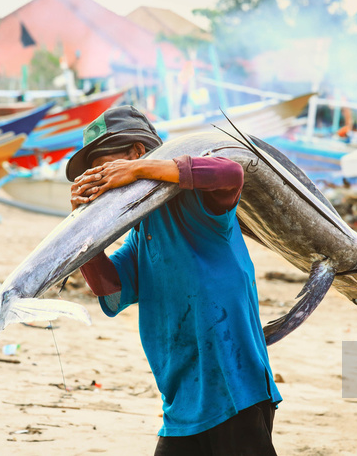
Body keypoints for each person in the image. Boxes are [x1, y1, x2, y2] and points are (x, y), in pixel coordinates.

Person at [68, 105, 282, 456]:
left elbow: (231, 173)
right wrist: (81, 224)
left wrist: (138, 170)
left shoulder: (200, 201)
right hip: (181, 399)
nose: (99, 177)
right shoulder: (141, 231)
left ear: (136, 152)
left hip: (235, 388)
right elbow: (111, 291)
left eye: (103, 166)